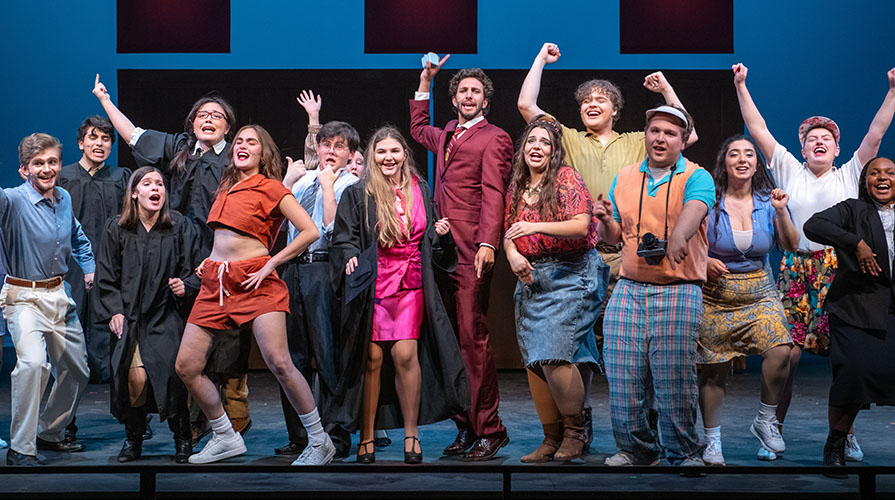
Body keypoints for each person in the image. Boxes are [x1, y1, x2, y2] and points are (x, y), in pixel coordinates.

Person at [517, 42, 698, 442]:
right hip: (579, 259)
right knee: (578, 344)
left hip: (628, 254)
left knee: (636, 345)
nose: (592, 104)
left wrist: (666, 89)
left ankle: (646, 420)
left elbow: (689, 130)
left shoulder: (637, 140)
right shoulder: (568, 139)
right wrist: (540, 61)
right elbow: (528, 106)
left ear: (616, 109)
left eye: (602, 99)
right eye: (586, 101)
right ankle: (578, 424)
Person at [734, 63, 895, 460]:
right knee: (786, 352)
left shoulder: (850, 173)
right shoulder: (788, 167)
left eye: (826, 138)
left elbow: (875, 133)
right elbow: (758, 130)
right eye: (812, 138)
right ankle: (772, 425)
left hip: (840, 271)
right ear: (802, 148)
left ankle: (845, 433)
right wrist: (740, 85)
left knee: (845, 357)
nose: (819, 142)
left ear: (838, 149)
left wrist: (892, 90)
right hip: (797, 268)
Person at [92, 74, 253, 442]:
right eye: (202, 115)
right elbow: (132, 134)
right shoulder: (179, 147)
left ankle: (229, 415)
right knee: (182, 338)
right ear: (192, 123)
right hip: (175, 250)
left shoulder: (235, 156)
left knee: (225, 339)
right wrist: (104, 101)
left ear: (228, 126)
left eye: (217, 115)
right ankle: (186, 421)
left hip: (220, 254)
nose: (208, 119)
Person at [174, 124, 332, 464]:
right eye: (240, 141)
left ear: (263, 152)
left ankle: (320, 440)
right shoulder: (227, 187)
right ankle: (225, 435)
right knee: (187, 365)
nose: (243, 145)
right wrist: (209, 261)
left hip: (255, 281)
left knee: (279, 361)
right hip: (216, 283)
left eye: (252, 142)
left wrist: (269, 263)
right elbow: (226, 238)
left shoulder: (271, 188)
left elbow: (309, 231)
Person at [329, 126, 467, 464]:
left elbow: (429, 241)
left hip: (411, 282)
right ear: (373, 156)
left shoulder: (419, 188)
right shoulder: (359, 193)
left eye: (394, 151)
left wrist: (440, 235)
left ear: (404, 153)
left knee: (406, 355)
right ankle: (366, 436)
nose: (388, 158)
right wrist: (349, 257)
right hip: (374, 283)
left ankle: (411, 434)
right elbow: (345, 237)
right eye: (381, 152)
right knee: (372, 360)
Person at [594, 105, 714, 466]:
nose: (660, 138)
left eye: (670, 133)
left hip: (678, 287)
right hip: (630, 286)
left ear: (682, 141)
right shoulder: (626, 176)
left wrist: (678, 236)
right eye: (655, 131)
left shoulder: (697, 176)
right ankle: (637, 449)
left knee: (673, 376)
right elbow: (613, 237)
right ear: (645, 134)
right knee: (622, 372)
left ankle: (684, 452)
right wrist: (602, 220)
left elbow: (694, 211)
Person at [410, 54, 514, 461]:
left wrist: (488, 243)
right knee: (449, 339)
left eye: (476, 91)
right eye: (462, 91)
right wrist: (425, 80)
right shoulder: (449, 132)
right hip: (441, 248)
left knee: (473, 339)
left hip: (472, 249)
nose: (469, 96)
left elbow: (494, 194)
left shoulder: (496, 137)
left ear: (485, 101)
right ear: (454, 99)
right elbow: (418, 128)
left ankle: (492, 429)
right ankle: (466, 427)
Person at [503, 118, 607, 462]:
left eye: (544, 143)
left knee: (552, 353)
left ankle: (575, 433)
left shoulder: (566, 177)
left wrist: (532, 226)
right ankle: (552, 437)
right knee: (535, 360)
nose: (536, 147)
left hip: (571, 273)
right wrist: (513, 253)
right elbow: (509, 231)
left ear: (554, 150)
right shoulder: (518, 185)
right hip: (532, 277)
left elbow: (580, 225)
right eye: (531, 141)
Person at [696, 135, 800, 465]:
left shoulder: (769, 201)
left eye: (750, 154)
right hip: (716, 295)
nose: (743, 159)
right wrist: (704, 261)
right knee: (714, 370)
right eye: (734, 154)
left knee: (782, 349)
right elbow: (689, 243)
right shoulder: (708, 202)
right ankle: (712, 441)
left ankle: (766, 420)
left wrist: (782, 212)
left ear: (757, 164)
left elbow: (790, 244)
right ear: (724, 163)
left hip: (759, 291)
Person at [95, 167, 201, 463]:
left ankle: (183, 438)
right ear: (134, 192)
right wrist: (114, 311)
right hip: (130, 319)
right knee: (134, 380)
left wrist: (186, 285)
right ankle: (134, 437)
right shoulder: (116, 228)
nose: (156, 188)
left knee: (171, 377)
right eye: (148, 183)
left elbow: (195, 269)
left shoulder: (178, 226)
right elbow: (106, 276)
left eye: (160, 184)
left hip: (166, 315)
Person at [0, 133, 92, 465]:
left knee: (78, 369)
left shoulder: (64, 197)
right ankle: (20, 448)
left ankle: (51, 431)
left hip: (59, 294)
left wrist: (90, 265)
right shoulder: (11, 200)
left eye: (52, 161)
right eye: (38, 163)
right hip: (23, 296)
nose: (47, 168)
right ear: (24, 169)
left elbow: (77, 236)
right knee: (33, 364)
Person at [274, 120, 360, 459]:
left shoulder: (352, 184)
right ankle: (300, 435)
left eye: (339, 146)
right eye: (326, 145)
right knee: (291, 356)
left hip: (325, 269)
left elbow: (332, 229)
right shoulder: (303, 179)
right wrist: (287, 182)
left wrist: (328, 186)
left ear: (350, 153)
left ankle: (335, 436)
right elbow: (275, 220)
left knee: (327, 354)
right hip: (293, 268)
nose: (331, 151)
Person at [803, 157, 895, 471]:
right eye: (874, 173)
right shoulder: (854, 210)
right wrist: (855, 243)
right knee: (852, 375)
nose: (882, 178)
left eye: (890, 173)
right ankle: (836, 442)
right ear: (865, 180)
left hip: (892, 308)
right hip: (857, 306)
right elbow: (813, 225)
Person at [58, 115, 132, 385]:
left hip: (112, 265)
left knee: (116, 333)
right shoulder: (62, 178)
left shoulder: (121, 177)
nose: (99, 143)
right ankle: (67, 421)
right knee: (68, 335)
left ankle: (132, 419)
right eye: (93, 137)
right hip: (71, 268)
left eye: (106, 139)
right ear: (81, 143)